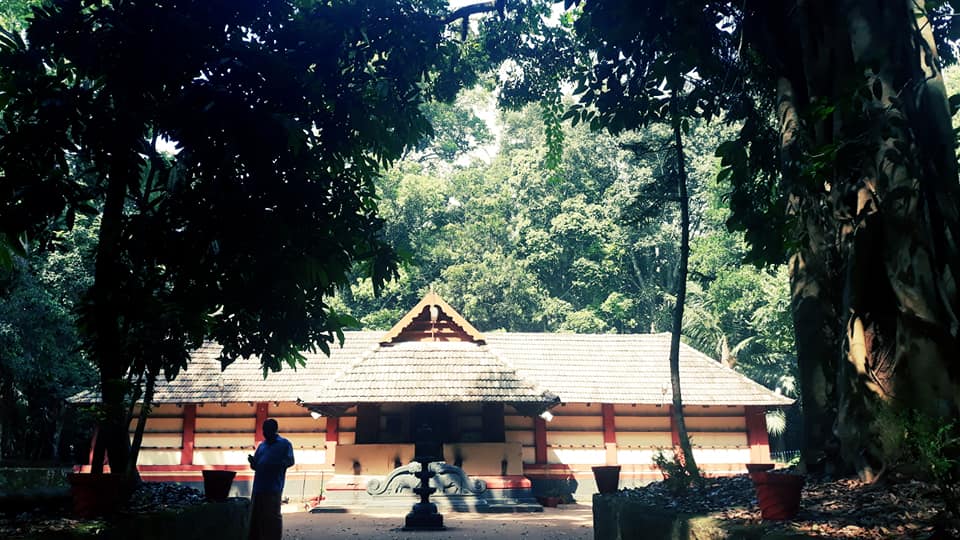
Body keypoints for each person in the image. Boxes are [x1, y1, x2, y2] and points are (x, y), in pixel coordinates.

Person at [248, 418, 295, 540]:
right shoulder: (261, 446)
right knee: (257, 517)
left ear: (274, 430)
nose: (264, 432)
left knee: (272, 517)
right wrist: (252, 462)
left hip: (273, 487)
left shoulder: (285, 444)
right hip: (258, 487)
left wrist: (274, 465)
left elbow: (290, 461)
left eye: (267, 430)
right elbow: (255, 466)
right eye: (264, 430)